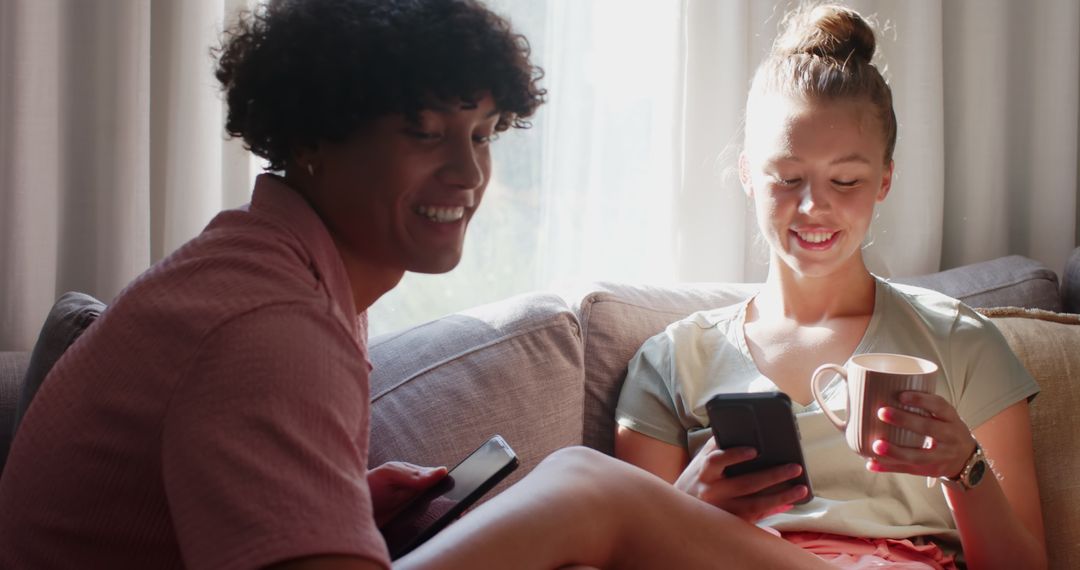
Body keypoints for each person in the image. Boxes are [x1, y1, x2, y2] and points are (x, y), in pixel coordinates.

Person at [0, 1, 838, 569]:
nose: (467, 170)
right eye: (423, 132)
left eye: (482, 133)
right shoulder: (273, 327)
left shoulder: (261, 269)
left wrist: (340, 504)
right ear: (314, 135)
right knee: (589, 490)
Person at [614, 5, 1047, 570]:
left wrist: (964, 468)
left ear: (884, 180)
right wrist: (684, 508)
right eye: (788, 178)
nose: (814, 206)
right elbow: (626, 555)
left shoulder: (958, 342)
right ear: (748, 174)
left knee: (577, 485)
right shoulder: (674, 359)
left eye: (846, 180)